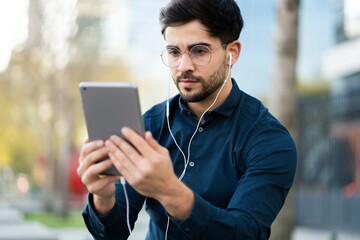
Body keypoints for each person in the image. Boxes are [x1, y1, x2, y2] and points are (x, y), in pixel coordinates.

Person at [77, 0, 297, 239]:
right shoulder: (150, 125)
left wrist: (170, 191)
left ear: (231, 53)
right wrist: (103, 195)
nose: (183, 66)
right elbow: (114, 233)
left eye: (199, 51)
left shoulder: (268, 140)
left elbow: (245, 233)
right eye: (174, 52)